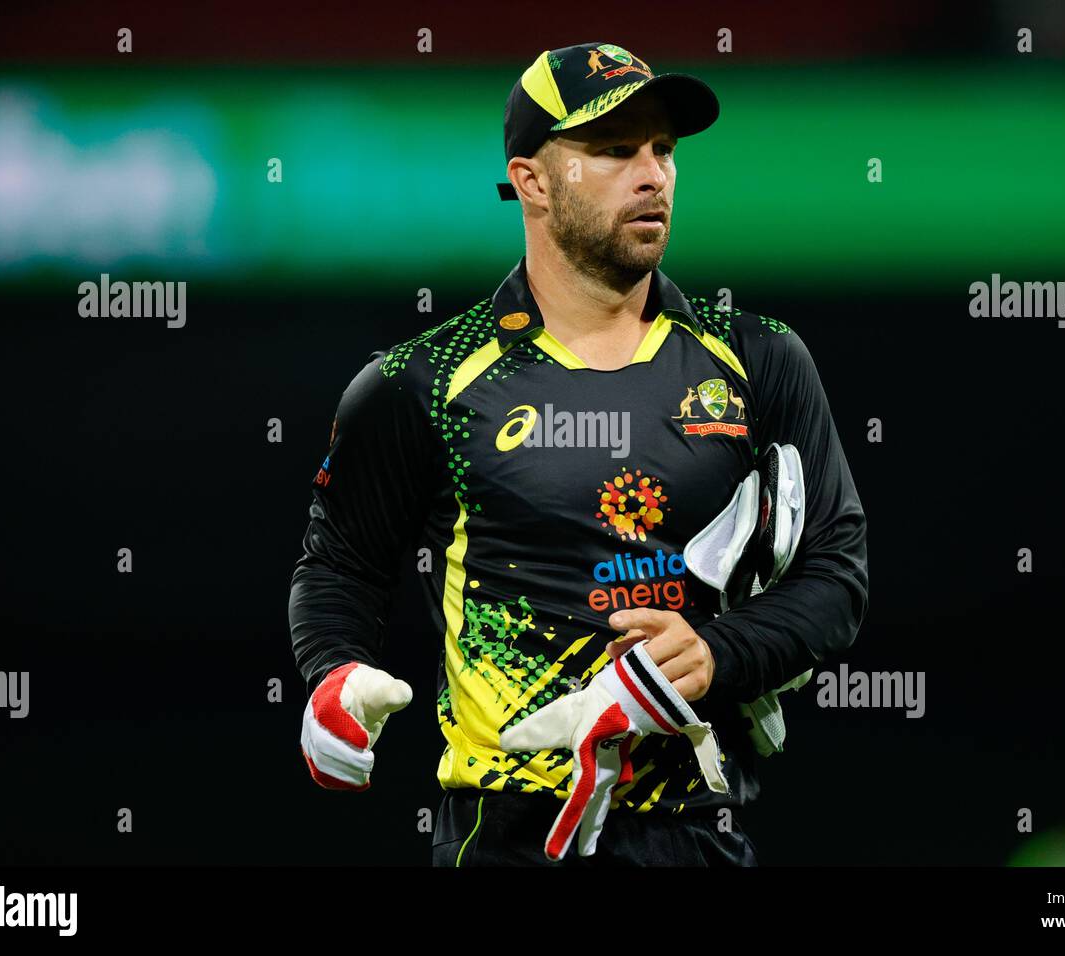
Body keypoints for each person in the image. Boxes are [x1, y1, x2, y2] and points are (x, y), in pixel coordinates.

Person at [289, 41, 869, 867]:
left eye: (663, 150)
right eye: (612, 150)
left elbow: (838, 576)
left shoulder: (760, 358)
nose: (653, 174)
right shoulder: (424, 382)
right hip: (508, 836)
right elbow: (339, 563)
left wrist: (715, 652)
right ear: (531, 181)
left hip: (703, 830)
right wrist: (333, 674)